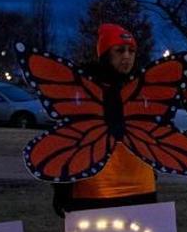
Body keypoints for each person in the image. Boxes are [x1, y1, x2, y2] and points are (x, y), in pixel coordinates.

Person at [53, 24, 160, 213]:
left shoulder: (141, 89)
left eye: (131, 51)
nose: (127, 56)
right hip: (96, 190)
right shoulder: (85, 90)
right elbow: (67, 141)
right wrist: (62, 189)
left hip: (141, 186)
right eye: (119, 50)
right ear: (105, 54)